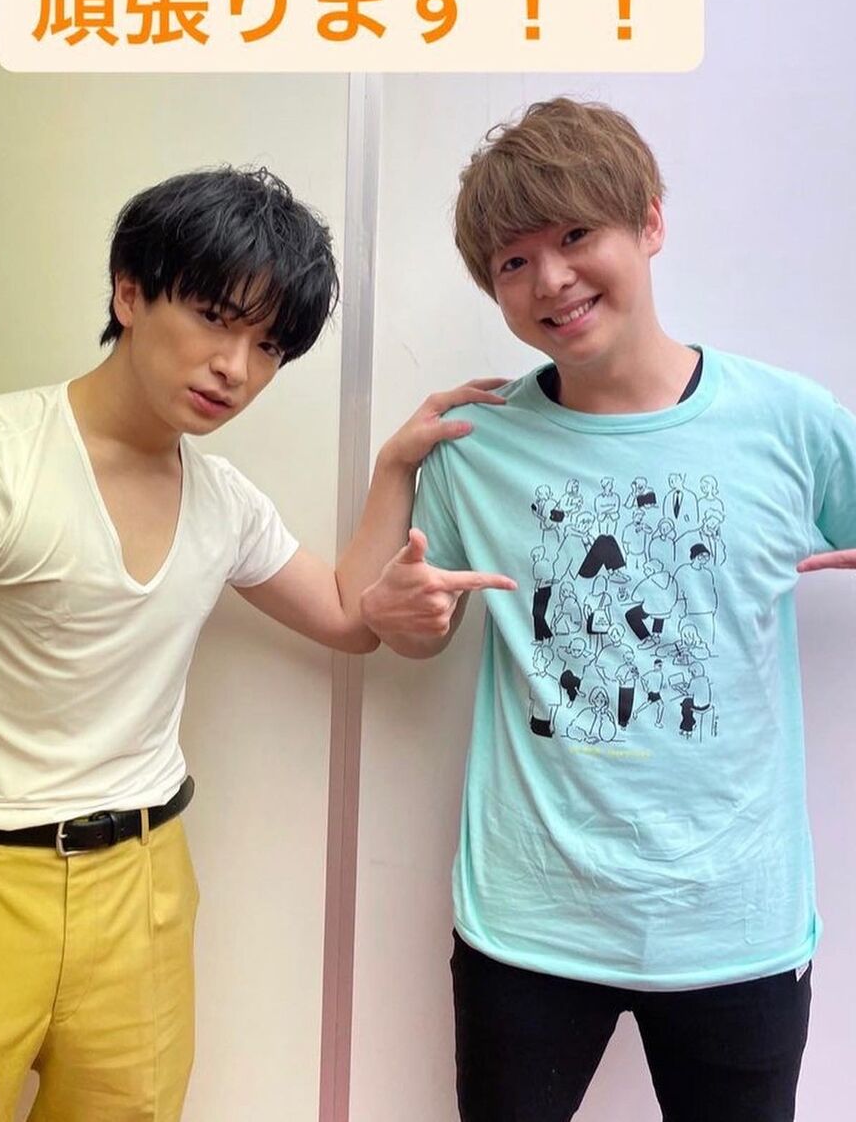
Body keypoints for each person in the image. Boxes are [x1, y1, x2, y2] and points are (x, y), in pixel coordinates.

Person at [0, 167, 511, 1122]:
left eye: (268, 345)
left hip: (144, 882)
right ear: (128, 291)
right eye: (213, 317)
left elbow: (347, 616)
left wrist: (395, 465)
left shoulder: (224, 501)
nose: (236, 367)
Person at [359, 98, 856, 1122]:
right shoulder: (476, 445)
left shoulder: (788, 423)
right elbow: (402, 622)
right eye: (514, 261)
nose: (551, 279)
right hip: (530, 925)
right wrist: (404, 616)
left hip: (736, 924)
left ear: (650, 222)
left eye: (577, 235)